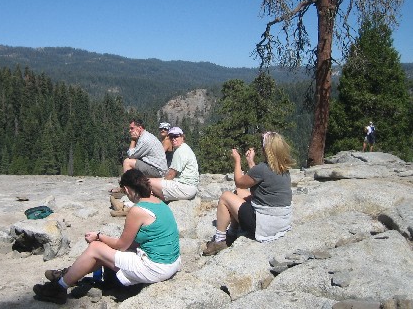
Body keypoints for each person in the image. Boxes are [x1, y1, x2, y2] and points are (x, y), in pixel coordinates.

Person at [33, 169, 181, 304]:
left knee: (96, 248)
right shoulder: (159, 203)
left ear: (128, 189)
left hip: (156, 267)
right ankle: (70, 275)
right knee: (104, 251)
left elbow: (122, 245)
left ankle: (58, 288)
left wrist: (99, 236)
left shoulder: (138, 210)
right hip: (171, 263)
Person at [202, 131, 295, 256]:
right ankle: (232, 232)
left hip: (263, 225)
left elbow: (239, 182)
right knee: (239, 193)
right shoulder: (282, 168)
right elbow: (257, 178)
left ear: (266, 150)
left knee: (226, 197)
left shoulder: (262, 168)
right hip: (280, 222)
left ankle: (219, 240)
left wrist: (237, 160)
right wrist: (251, 161)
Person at [149, 127, 199, 201]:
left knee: (147, 182)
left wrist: (159, 184)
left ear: (182, 137)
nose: (173, 139)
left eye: (176, 136)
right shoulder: (185, 148)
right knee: (155, 183)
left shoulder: (180, 151)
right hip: (189, 187)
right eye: (171, 137)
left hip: (185, 188)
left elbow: (171, 175)